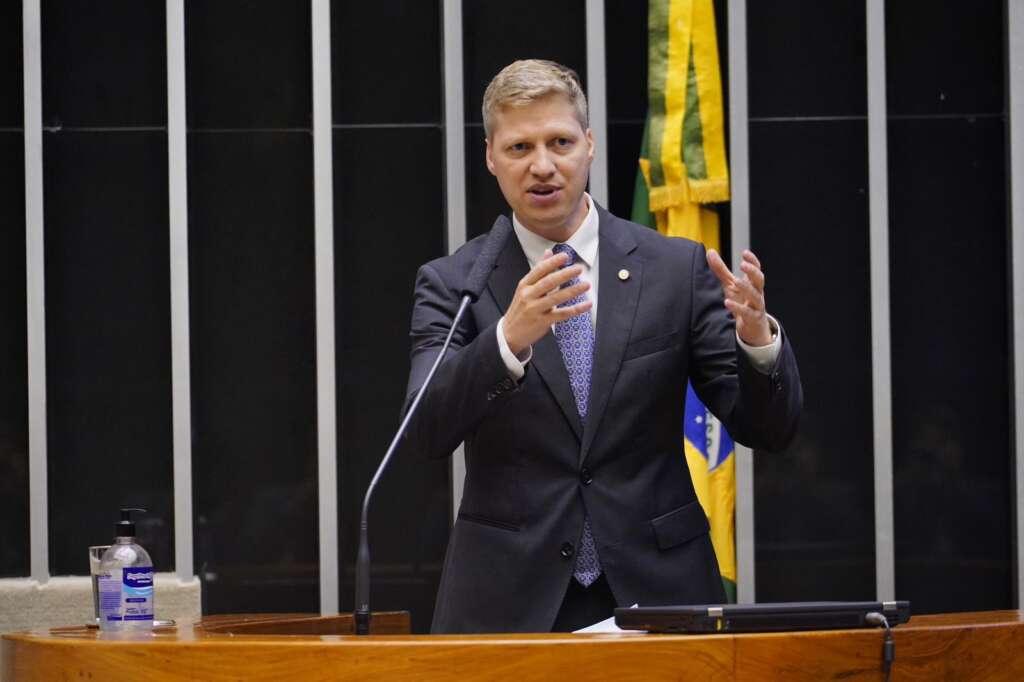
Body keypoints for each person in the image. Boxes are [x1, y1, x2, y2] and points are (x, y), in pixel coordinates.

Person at [404, 59, 801, 634]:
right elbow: (424, 430)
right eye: (519, 148)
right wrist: (507, 341)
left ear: (589, 145)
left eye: (560, 142)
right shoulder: (455, 284)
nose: (543, 165)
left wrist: (758, 342)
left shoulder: (674, 269)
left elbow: (768, 429)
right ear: (491, 157)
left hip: (659, 588)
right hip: (508, 600)